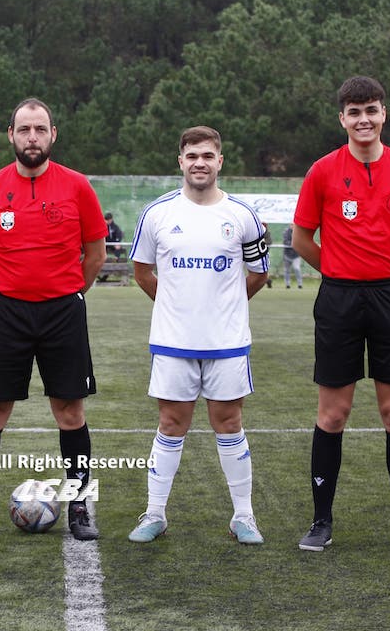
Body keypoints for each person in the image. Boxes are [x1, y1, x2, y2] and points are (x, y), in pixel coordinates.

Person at [292, 76, 390, 553]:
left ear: (384, 115)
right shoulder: (322, 171)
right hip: (339, 300)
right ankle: (321, 522)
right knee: (332, 413)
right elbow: (302, 240)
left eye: (372, 111)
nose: (364, 120)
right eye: (354, 112)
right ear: (342, 118)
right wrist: (339, 272)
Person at [0, 98, 108, 541]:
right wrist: (6, 293)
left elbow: (94, 256)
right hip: (5, 313)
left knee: (69, 412)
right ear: (11, 135)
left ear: (53, 134)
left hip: (63, 312)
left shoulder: (78, 187)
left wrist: (69, 292)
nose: (32, 137)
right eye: (24, 130)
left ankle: (78, 506)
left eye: (40, 129)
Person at [126, 126, 269, 544]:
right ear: (181, 161)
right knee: (171, 424)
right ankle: (154, 514)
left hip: (226, 343)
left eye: (207, 155)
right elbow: (142, 272)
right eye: (192, 156)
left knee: (229, 423)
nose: (200, 163)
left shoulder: (242, 216)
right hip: (173, 342)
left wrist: (226, 309)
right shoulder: (157, 214)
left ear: (220, 161)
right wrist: (176, 307)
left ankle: (243, 516)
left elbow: (259, 274)